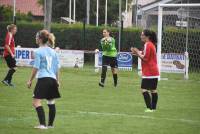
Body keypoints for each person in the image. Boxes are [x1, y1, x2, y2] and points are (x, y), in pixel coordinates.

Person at [27, 30, 61, 129]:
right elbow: (57, 68)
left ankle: (42, 125)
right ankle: (50, 125)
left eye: (36, 37)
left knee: (36, 102)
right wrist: (58, 81)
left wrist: (30, 80)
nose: (35, 39)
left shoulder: (37, 51)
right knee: (51, 102)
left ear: (40, 39)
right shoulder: (53, 51)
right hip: (52, 79)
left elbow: (36, 67)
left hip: (43, 79)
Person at [131, 29, 159, 112]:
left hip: (149, 71)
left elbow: (145, 58)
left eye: (142, 35)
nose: (141, 36)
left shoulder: (148, 44)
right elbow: (144, 55)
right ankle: (153, 108)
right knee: (153, 90)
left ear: (147, 36)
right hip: (154, 71)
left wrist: (137, 52)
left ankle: (149, 108)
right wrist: (136, 52)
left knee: (144, 89)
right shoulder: (151, 44)